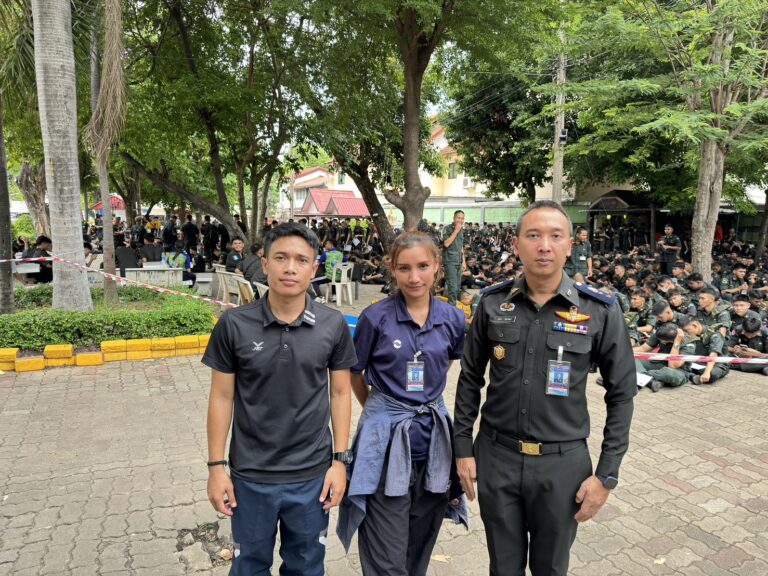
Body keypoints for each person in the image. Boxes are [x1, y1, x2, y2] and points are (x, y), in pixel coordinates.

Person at [453, 200, 637, 576]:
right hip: (497, 458)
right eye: (533, 235)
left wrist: (607, 474)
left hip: (562, 465)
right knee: (503, 567)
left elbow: (621, 393)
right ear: (517, 244)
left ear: (570, 245)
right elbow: (470, 377)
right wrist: (462, 448)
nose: (544, 246)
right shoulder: (491, 304)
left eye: (555, 236)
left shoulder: (600, 311)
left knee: (551, 569)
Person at [204, 222, 357, 576]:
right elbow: (222, 397)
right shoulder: (234, 324)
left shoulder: (332, 324)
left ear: (314, 268)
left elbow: (340, 392)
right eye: (281, 258)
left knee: (306, 567)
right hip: (250, 475)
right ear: (264, 263)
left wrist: (340, 463)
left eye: (301, 260)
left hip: (312, 475)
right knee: (248, 566)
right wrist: (216, 468)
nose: (290, 268)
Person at [337, 231, 466, 576]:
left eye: (423, 266)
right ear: (392, 269)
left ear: (437, 266)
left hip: (433, 447)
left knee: (419, 547)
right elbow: (355, 373)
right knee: (386, 554)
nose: (414, 277)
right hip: (385, 447)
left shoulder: (453, 319)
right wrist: (381, 409)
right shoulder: (375, 317)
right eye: (404, 268)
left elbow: (444, 365)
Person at [441, 210, 465, 305]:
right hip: (450, 261)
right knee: (453, 288)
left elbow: (461, 247)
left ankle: (451, 306)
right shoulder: (448, 229)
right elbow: (446, 243)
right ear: (454, 218)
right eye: (458, 218)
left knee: (457, 287)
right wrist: (456, 231)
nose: (460, 220)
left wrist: (463, 261)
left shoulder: (461, 230)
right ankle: (451, 308)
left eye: (462, 218)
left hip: (458, 261)